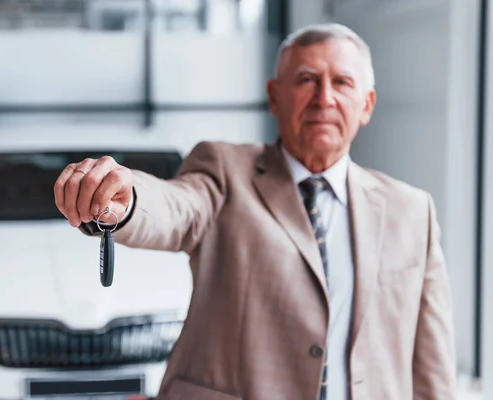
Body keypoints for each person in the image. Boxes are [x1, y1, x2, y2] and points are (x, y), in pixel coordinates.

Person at [54, 23, 457, 400]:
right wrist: (127, 199)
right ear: (274, 96)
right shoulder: (226, 171)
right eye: (306, 80)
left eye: (342, 82)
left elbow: (432, 363)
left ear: (366, 104)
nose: (325, 98)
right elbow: (176, 207)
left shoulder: (411, 211)